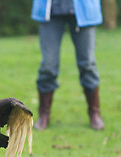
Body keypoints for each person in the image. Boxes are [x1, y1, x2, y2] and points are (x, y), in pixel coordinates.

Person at [31, 0, 105, 130]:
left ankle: (94, 113)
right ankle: (44, 114)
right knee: (48, 65)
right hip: (50, 10)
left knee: (87, 64)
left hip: (84, 8)